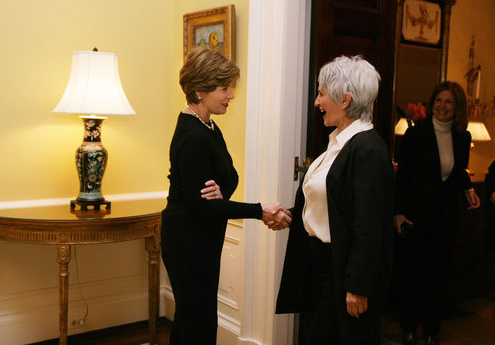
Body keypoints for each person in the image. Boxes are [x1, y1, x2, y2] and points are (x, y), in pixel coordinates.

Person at [161, 47, 291, 345]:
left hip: (202, 236)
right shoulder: (193, 135)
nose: (231, 94)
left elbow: (230, 178)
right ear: (198, 91)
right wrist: (260, 210)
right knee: (196, 322)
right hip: (187, 239)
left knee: (200, 319)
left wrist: (219, 191)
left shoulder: (208, 126)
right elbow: (202, 208)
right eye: (224, 88)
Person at [275, 56, 394, 344]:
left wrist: (359, 286)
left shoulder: (367, 149)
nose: (317, 102)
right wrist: (290, 215)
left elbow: (369, 226)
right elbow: (334, 206)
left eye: (322, 93)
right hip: (322, 265)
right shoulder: (338, 143)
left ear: (345, 99)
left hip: (343, 271)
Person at [393, 81, 481, 345]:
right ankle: (408, 328)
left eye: (449, 102)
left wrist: (468, 189)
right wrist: (397, 214)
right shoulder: (415, 134)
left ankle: (432, 331)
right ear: (432, 103)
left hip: (445, 218)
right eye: (439, 100)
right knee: (413, 275)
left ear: (457, 108)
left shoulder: (462, 137)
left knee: (438, 277)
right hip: (415, 217)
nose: (442, 106)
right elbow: (403, 177)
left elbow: (457, 172)